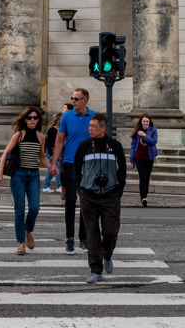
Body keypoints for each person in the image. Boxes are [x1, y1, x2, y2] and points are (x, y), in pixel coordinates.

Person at [72, 112, 127, 284]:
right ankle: (95, 269)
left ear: (103, 128)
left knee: (111, 230)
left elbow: (122, 170)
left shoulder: (115, 146)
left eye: (93, 127)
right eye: (89, 126)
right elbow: (76, 169)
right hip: (89, 194)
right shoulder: (84, 146)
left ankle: (107, 254)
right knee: (92, 232)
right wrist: (80, 188)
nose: (90, 129)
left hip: (111, 194)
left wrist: (119, 190)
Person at [0, 105, 47, 255]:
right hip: (18, 175)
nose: (32, 120)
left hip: (34, 175)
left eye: (35, 118)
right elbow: (6, 153)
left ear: (38, 120)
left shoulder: (41, 137)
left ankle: (28, 230)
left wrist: (52, 167)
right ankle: (21, 243)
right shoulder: (19, 135)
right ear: (25, 119)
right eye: (29, 117)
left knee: (35, 207)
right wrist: (0, 172)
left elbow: (42, 157)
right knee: (19, 210)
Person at [51, 87, 94, 253]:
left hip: (88, 165)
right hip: (69, 164)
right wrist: (53, 164)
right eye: (72, 98)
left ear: (85, 101)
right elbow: (59, 141)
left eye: (76, 99)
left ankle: (84, 238)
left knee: (85, 202)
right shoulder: (67, 117)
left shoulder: (93, 116)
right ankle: (70, 238)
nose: (73, 101)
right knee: (70, 201)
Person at [129, 114, 157, 206]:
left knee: (147, 177)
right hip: (139, 157)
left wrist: (144, 135)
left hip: (149, 157)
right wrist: (132, 160)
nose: (145, 123)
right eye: (144, 121)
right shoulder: (137, 130)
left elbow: (154, 141)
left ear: (149, 122)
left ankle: (145, 195)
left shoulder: (153, 129)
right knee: (142, 177)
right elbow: (133, 146)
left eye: (147, 121)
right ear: (141, 122)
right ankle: (143, 197)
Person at [43, 112, 62, 193]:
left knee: (52, 168)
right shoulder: (52, 130)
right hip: (51, 150)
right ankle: (58, 185)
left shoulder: (59, 130)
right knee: (56, 168)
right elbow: (48, 144)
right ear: (58, 121)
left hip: (55, 150)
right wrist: (51, 154)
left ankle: (46, 186)